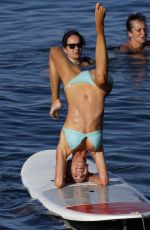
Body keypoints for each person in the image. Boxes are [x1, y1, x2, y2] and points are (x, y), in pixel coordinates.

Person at [49, 3, 112, 188]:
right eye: (71, 46)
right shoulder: (95, 149)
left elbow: (59, 183)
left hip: (76, 84)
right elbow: (103, 181)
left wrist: (55, 99)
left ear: (67, 167)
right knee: (101, 77)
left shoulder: (65, 146)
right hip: (98, 86)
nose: (79, 172)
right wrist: (88, 177)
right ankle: (100, 29)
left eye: (79, 45)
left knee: (53, 51)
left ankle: (54, 100)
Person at [49, 30, 95, 119]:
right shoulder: (59, 68)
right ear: (65, 49)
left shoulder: (89, 62)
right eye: (72, 46)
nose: (76, 49)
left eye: (79, 45)